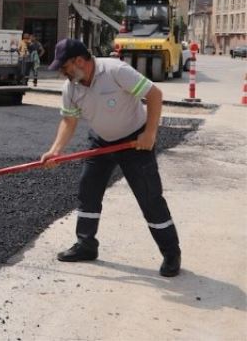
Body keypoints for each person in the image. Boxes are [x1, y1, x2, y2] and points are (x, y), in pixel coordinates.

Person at [39, 38, 181, 277]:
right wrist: (55, 150)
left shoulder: (116, 71)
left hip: (134, 142)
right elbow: (69, 121)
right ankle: (86, 245)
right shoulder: (71, 88)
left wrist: (150, 133)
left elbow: (154, 95)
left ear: (79, 61)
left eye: (64, 67)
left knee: (150, 198)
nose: (62, 72)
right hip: (101, 141)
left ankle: (171, 253)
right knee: (88, 191)